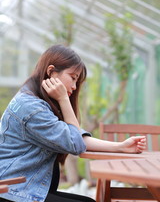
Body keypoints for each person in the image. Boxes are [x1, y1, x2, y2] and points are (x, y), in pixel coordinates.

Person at [0, 44, 146, 202]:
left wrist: (120, 147)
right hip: (15, 192)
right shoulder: (32, 108)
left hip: (25, 188)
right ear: (51, 72)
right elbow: (74, 142)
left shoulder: (35, 102)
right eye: (73, 77)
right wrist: (63, 99)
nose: (74, 87)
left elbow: (74, 135)